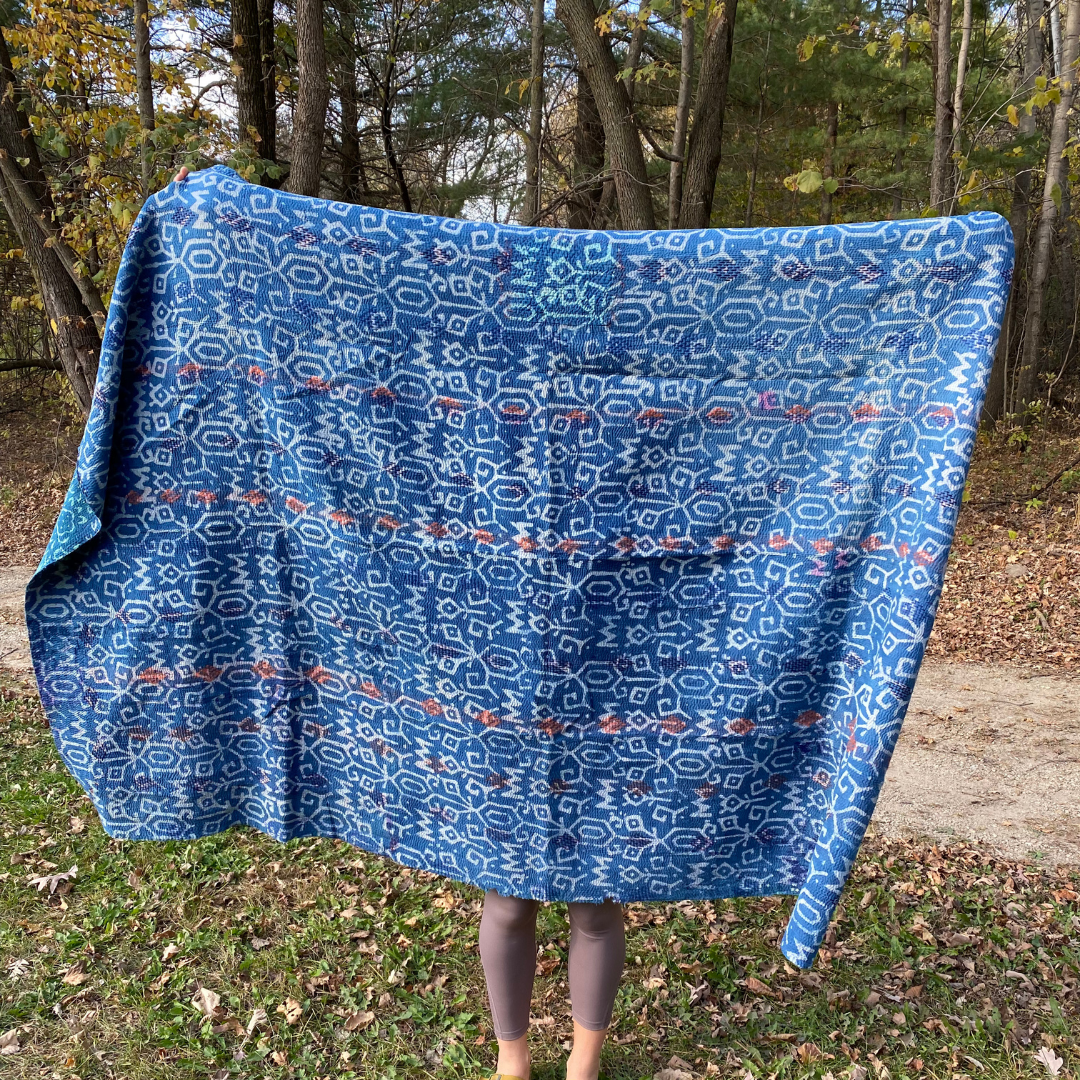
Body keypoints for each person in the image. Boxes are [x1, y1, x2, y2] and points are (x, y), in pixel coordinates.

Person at [166, 164, 629, 1080]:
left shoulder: (614, 408)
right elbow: (349, 328)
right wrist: (216, 212)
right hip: (488, 682)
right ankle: (512, 1059)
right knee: (504, 898)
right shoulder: (459, 401)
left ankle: (585, 1064)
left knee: (597, 903)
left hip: (611, 672)